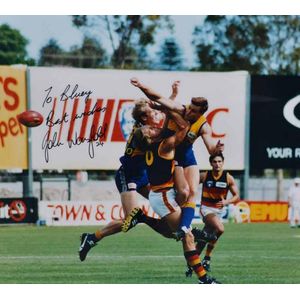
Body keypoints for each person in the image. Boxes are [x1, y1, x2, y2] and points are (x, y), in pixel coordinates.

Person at [78, 81, 202, 261]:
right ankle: (92, 238)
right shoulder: (144, 133)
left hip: (143, 176)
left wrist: (173, 95)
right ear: (145, 119)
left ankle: (179, 227)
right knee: (130, 221)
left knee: (169, 227)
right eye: (153, 112)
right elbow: (168, 120)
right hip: (128, 175)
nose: (158, 113)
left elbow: (166, 112)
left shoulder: (150, 128)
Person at [130, 78, 224, 239]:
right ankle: (182, 224)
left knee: (191, 191)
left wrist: (216, 150)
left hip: (184, 154)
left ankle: (184, 226)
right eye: (190, 107)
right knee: (174, 193)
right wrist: (142, 86)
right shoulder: (181, 109)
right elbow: (158, 97)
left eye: (194, 111)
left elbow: (211, 149)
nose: (189, 111)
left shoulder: (203, 126)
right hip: (166, 151)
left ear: (201, 114)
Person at [134, 111, 219, 284]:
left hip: (166, 191)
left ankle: (144, 218)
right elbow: (184, 130)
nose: (151, 127)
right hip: (162, 196)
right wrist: (193, 118)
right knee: (185, 236)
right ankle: (204, 280)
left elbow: (164, 127)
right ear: (149, 137)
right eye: (148, 129)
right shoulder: (164, 145)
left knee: (178, 226)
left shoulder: (156, 143)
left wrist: (168, 107)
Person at [186, 153, 239, 276]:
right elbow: (191, 184)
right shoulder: (205, 175)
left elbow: (236, 196)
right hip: (206, 209)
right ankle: (207, 258)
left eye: (220, 161)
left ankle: (190, 266)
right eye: (215, 161)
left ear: (223, 163)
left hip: (218, 212)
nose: (217, 164)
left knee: (202, 243)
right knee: (220, 228)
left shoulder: (228, 178)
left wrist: (227, 201)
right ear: (211, 163)